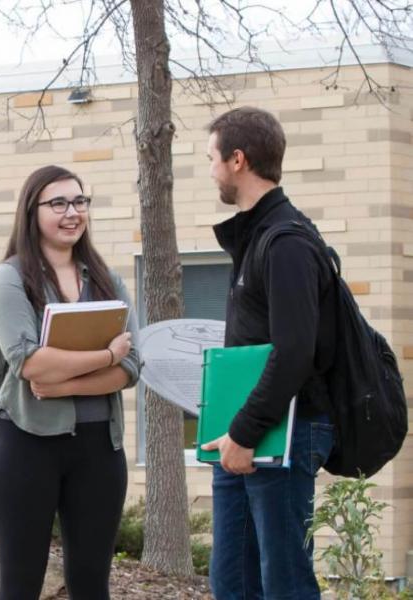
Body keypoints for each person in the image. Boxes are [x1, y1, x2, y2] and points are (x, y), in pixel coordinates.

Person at [0, 165, 140, 600]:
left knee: (93, 586)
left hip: (99, 450)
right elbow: (30, 362)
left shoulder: (108, 282)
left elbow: (133, 369)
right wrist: (107, 355)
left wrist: (63, 381)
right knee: (20, 585)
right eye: (58, 203)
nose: (72, 212)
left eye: (79, 201)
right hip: (25, 444)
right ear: (32, 212)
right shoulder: (11, 279)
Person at [200, 107, 338, 599]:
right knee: (233, 584)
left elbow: (295, 350)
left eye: (213, 158)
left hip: (283, 433)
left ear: (238, 160)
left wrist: (244, 430)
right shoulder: (257, 236)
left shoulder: (286, 242)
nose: (210, 170)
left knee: (284, 585)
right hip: (246, 434)